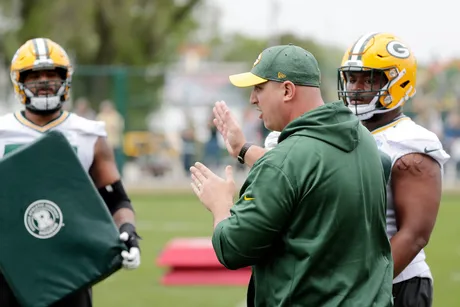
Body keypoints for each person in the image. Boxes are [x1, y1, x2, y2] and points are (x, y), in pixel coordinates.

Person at [190, 44, 393, 306]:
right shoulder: (363, 139)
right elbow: (315, 170)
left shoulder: (283, 162)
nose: (253, 99)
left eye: (260, 88)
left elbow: (234, 249)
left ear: (287, 90)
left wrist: (220, 206)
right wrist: (243, 150)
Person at [0, 38, 141, 307]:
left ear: (65, 79)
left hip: (69, 265)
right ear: (19, 81)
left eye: (51, 74)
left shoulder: (90, 134)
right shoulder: (2, 131)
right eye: (35, 75)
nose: (44, 81)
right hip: (10, 266)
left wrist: (128, 231)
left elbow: (117, 199)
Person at [337, 32, 450, 307]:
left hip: (395, 285)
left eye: (369, 78)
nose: (356, 87)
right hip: (348, 280)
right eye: (352, 78)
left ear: (399, 82)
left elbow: (414, 235)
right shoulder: (345, 132)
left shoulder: (409, 142)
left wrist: (364, 286)